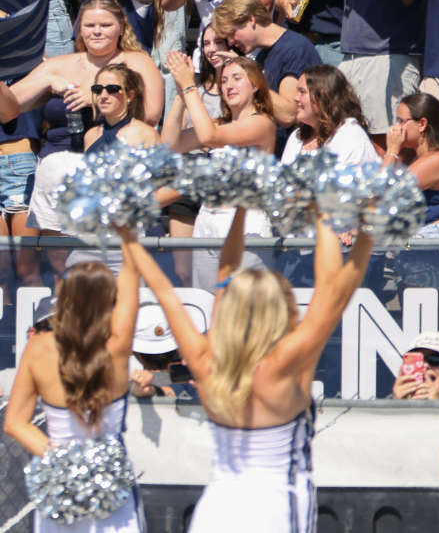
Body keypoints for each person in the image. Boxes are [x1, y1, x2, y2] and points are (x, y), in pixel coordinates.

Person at [117, 204, 372, 532]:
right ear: (280, 309)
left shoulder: (207, 363)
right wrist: (352, 225)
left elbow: (165, 288)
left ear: (228, 309)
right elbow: (332, 293)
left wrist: (127, 235)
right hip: (276, 511)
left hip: (216, 510)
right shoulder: (286, 366)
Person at [2, 257, 147, 533]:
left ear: (64, 298)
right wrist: (128, 233)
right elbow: (131, 277)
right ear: (110, 302)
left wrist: (63, 463)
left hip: (61, 492)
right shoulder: (117, 346)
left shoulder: (39, 348)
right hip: (113, 492)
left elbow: (15, 423)